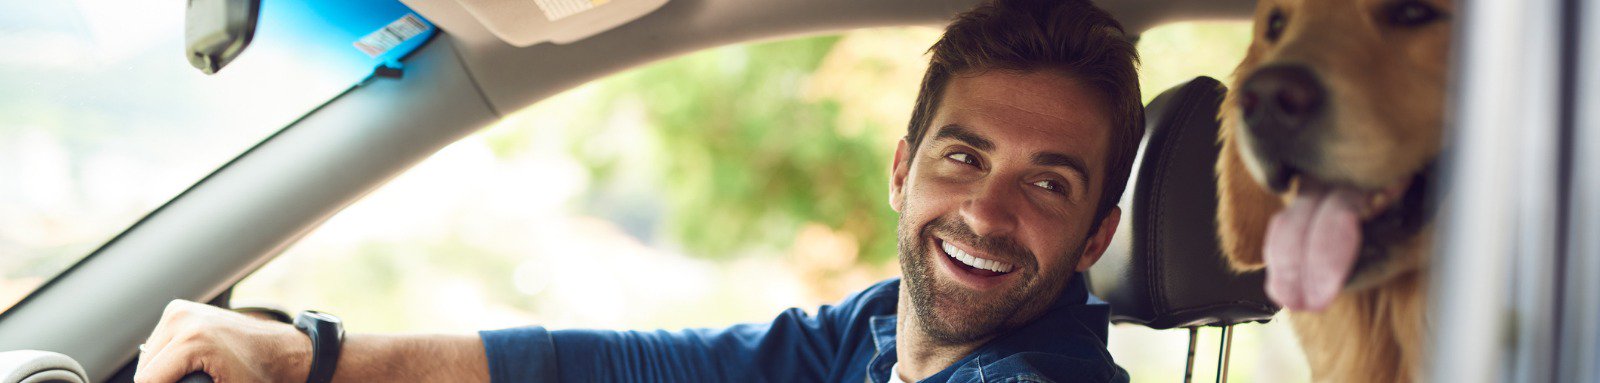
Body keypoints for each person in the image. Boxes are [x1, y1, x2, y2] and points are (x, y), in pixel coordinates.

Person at [132, 0, 1143, 381]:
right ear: (901, 169)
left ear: (1094, 234)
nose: (985, 211)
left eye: (1046, 183)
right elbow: (627, 362)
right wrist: (314, 355)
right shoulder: (876, 335)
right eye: (962, 157)